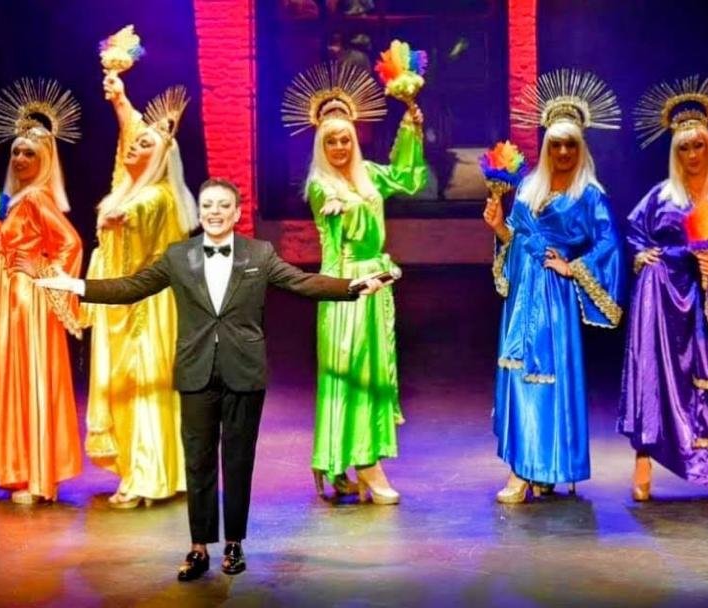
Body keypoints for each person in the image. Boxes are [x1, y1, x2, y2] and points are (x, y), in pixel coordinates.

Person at [33, 178, 385, 579]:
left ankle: (234, 544)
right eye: (207, 206)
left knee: (238, 461)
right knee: (198, 463)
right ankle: (198, 548)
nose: (214, 212)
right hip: (196, 371)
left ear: (236, 213)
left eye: (223, 206)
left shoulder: (259, 253)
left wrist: (351, 287)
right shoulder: (178, 255)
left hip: (244, 371)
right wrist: (73, 285)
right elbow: (131, 287)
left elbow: (301, 282)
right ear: (199, 213)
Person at [282, 62, 428, 503]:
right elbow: (331, 207)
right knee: (349, 371)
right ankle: (365, 464)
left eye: (345, 139)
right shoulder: (319, 185)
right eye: (331, 141)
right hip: (344, 287)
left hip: (374, 284)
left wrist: (410, 126)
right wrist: (340, 207)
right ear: (320, 144)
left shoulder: (368, 175)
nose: (339, 147)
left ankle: (354, 460)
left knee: (372, 373)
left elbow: (407, 177)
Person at [619, 75, 708, 506]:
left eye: (698, 146)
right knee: (655, 374)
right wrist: (643, 255)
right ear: (675, 152)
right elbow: (635, 231)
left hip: (700, 295)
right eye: (684, 148)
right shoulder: (660, 195)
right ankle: (644, 457)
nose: (692, 154)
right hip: (660, 293)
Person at [484, 69, 623, 503]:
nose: (563, 151)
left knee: (544, 377)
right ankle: (522, 467)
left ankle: (539, 468)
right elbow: (515, 236)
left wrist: (573, 267)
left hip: (553, 299)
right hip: (522, 293)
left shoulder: (590, 194)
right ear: (546, 146)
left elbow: (608, 245)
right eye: (556, 144)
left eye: (570, 145)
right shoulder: (529, 186)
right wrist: (500, 229)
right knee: (517, 373)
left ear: (580, 148)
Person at [80, 74, 197, 509]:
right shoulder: (128, 187)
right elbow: (131, 131)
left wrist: (122, 219)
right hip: (122, 301)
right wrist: (120, 98)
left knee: (141, 382)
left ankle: (145, 475)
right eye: (134, 142)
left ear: (161, 159)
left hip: (146, 305)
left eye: (145, 145)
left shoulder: (156, 197)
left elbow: (140, 213)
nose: (134, 146)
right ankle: (158, 468)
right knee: (128, 383)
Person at [0, 78, 84, 504]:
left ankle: (38, 476)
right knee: (15, 379)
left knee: (31, 377)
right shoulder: (19, 200)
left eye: (29, 153)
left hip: (28, 302)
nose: (20, 159)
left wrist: (40, 269)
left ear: (45, 160)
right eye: (16, 152)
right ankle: (22, 469)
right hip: (11, 299)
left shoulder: (38, 198)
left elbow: (71, 244)